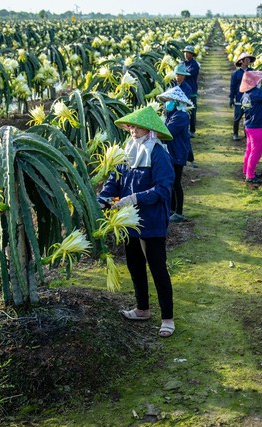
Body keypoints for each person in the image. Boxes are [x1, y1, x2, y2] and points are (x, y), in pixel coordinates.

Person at [97, 106, 176, 337]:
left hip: (151, 220)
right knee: (135, 265)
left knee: (158, 268)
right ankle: (142, 309)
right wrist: (102, 198)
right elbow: (114, 180)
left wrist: (134, 198)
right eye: (131, 126)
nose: (133, 130)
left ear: (150, 129)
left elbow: (163, 189)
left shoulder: (159, 153)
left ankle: (168, 318)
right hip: (128, 221)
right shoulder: (127, 150)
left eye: (138, 126)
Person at [156, 86, 193, 223]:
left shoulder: (181, 116)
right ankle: (171, 209)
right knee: (171, 182)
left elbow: (168, 132)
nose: (167, 102)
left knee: (176, 182)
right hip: (172, 152)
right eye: (167, 100)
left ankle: (179, 212)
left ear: (177, 102)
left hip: (178, 153)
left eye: (170, 100)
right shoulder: (172, 114)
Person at [229, 52, 255, 141]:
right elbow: (232, 86)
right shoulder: (235, 73)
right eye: (246, 59)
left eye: (249, 60)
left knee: (248, 117)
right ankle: (235, 134)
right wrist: (231, 98)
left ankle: (247, 135)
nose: (248, 61)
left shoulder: (252, 72)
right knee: (237, 117)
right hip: (239, 97)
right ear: (241, 61)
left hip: (249, 98)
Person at [182, 45, 200, 138]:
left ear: (192, 54)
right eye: (185, 52)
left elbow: (186, 74)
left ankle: (192, 130)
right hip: (183, 91)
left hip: (192, 91)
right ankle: (185, 129)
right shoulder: (182, 63)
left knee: (192, 111)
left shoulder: (195, 65)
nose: (186, 54)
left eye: (188, 52)